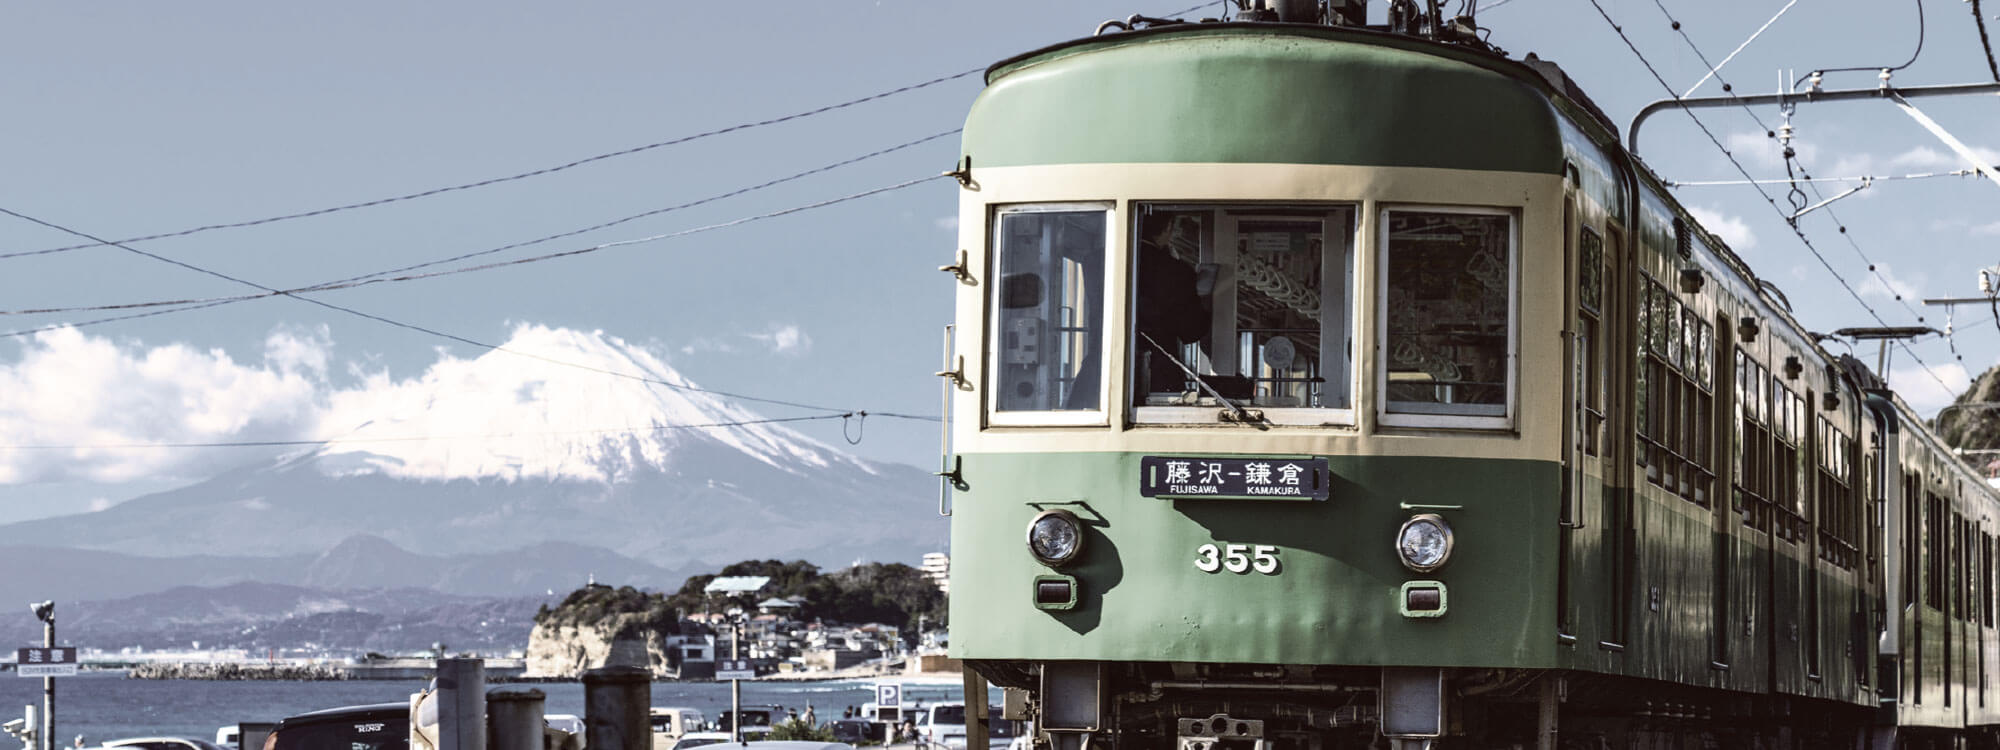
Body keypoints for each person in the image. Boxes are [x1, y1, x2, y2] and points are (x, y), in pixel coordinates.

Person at [1134, 215, 1215, 403]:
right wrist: (1202, 297)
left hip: (1101, 374)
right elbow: (1192, 331)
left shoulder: (1099, 259)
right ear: (1167, 227)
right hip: (1160, 375)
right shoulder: (1175, 270)